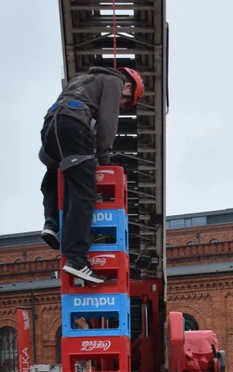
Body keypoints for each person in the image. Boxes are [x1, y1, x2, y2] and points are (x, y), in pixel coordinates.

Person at [39, 65, 144, 284]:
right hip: (74, 125)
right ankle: (76, 259)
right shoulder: (114, 81)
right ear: (127, 86)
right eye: (125, 102)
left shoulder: (82, 80)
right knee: (84, 192)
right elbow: (107, 123)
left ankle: (51, 223)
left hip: (50, 126)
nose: (121, 105)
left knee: (54, 177)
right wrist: (104, 160)